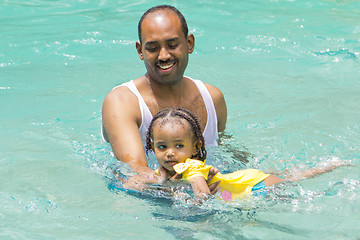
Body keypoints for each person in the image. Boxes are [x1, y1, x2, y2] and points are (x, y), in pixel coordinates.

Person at [101, 4, 227, 186]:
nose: (164, 55)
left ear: (189, 43)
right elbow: (134, 172)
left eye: (173, 45)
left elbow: (226, 155)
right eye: (152, 48)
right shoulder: (122, 102)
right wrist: (192, 184)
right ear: (140, 51)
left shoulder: (213, 98)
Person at [144, 108, 349, 202]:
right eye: (162, 147)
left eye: (179, 145)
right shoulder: (164, 170)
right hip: (243, 183)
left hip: (256, 186)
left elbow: (203, 198)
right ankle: (331, 164)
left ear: (196, 147)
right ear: (153, 148)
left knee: (301, 193)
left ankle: (333, 165)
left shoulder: (192, 167)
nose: (170, 153)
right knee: (293, 175)